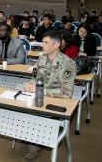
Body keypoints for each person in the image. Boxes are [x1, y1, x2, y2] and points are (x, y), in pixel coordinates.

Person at [23, 30, 76, 160]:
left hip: (56, 102)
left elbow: (66, 93)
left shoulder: (68, 63)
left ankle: (39, 142)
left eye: (46, 42)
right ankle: (35, 139)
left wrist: (39, 90)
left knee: (37, 118)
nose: (42, 45)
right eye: (42, 42)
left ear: (56, 45)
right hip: (39, 98)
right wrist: (30, 86)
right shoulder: (41, 60)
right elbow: (34, 80)